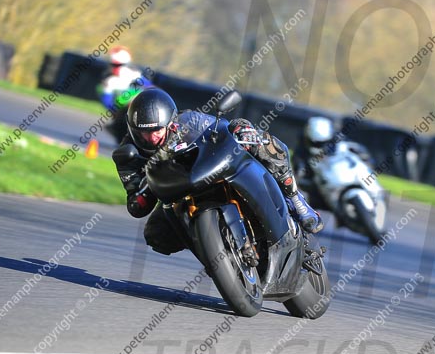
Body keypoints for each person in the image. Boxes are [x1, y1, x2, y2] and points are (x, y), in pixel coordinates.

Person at [115, 88, 323, 256]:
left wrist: (241, 131)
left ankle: (295, 199)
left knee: (246, 131)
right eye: (144, 133)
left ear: (170, 123)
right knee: (156, 235)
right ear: (133, 129)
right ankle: (212, 250)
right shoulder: (128, 154)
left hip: (207, 170)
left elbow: (221, 127)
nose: (152, 138)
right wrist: (144, 190)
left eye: (157, 130)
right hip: (176, 193)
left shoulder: (188, 121)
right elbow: (136, 207)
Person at [293, 116, 373, 197]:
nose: (319, 145)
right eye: (316, 143)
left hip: (341, 168)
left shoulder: (341, 140)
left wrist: (365, 161)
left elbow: (361, 152)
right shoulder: (302, 150)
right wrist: (302, 176)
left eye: (322, 142)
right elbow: (298, 171)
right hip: (324, 181)